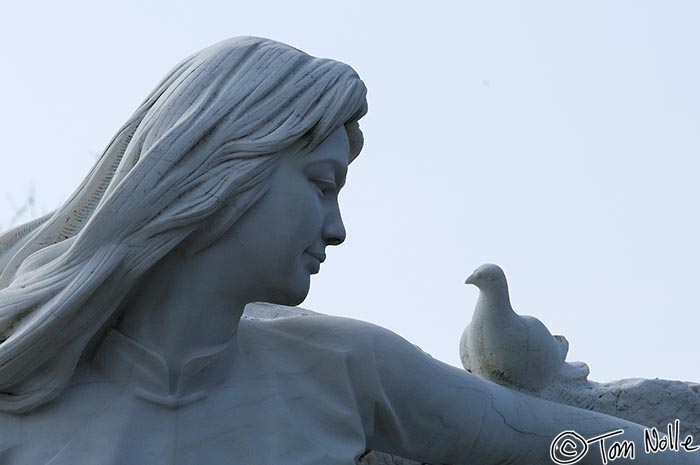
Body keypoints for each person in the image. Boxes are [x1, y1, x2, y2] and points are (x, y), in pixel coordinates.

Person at [0, 37, 695, 465]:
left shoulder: (345, 372)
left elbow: (578, 445)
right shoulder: (22, 406)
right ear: (228, 168)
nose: (337, 230)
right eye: (322, 183)